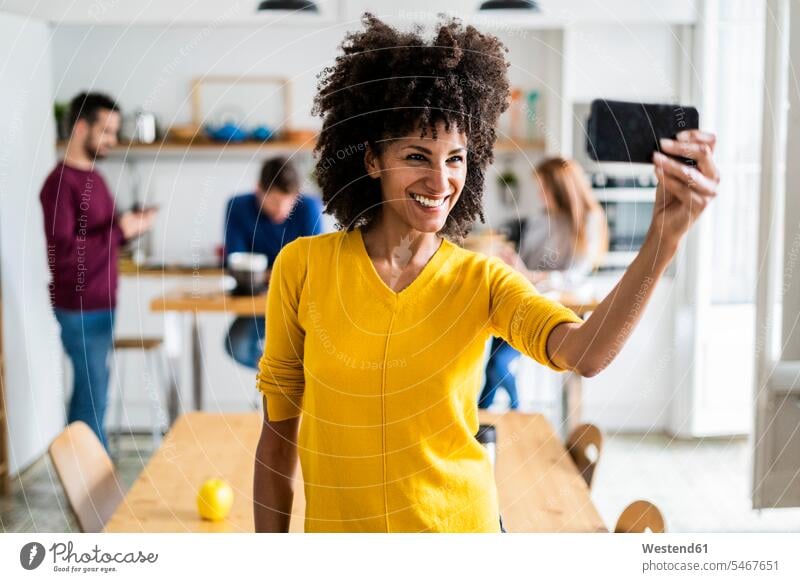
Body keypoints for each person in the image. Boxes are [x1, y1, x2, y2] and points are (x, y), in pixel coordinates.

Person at [253, 14, 719, 533]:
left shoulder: (482, 279)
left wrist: (663, 239)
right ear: (370, 161)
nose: (440, 178)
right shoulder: (303, 267)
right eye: (416, 155)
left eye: (455, 157)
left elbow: (586, 354)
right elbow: (276, 443)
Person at [40, 92, 156, 450]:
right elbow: (64, 255)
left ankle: (88, 484)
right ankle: (91, 490)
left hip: (101, 304)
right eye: (105, 131)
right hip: (79, 307)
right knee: (92, 401)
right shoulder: (60, 183)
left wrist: (127, 224)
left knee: (95, 396)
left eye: (114, 132)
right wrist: (124, 229)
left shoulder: (98, 180)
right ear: (80, 128)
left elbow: (99, 238)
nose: (112, 140)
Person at [478, 157, 608, 410]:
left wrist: (530, 274)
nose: (540, 194)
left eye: (544, 188)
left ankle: (508, 412)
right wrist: (514, 263)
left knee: (498, 364)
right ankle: (483, 422)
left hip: (557, 308)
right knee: (495, 362)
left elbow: (575, 275)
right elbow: (527, 265)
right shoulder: (540, 220)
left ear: (561, 188)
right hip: (524, 298)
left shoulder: (588, 221)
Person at [223, 157, 322, 369]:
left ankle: (287, 384)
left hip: (299, 305)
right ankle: (279, 383)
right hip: (257, 304)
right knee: (237, 345)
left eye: (289, 201)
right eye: (275, 201)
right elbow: (236, 262)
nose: (282, 209)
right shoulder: (238, 207)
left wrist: (265, 273)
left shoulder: (308, 207)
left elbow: (315, 264)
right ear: (258, 190)